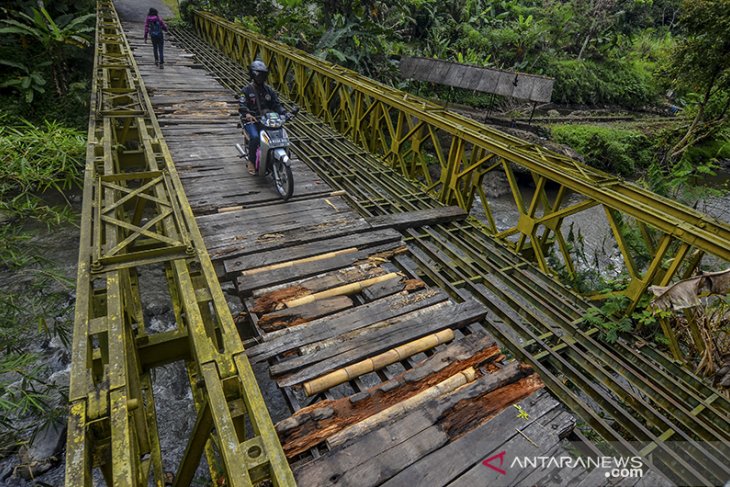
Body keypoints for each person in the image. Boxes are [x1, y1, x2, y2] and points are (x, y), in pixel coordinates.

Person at [238, 60, 286, 175]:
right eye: (259, 75)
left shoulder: (268, 90)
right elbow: (242, 105)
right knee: (255, 137)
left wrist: (284, 113)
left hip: (267, 120)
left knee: (279, 135)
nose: (261, 77)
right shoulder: (246, 91)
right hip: (252, 121)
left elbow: (276, 104)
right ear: (253, 75)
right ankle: (251, 161)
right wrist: (247, 114)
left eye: (263, 75)